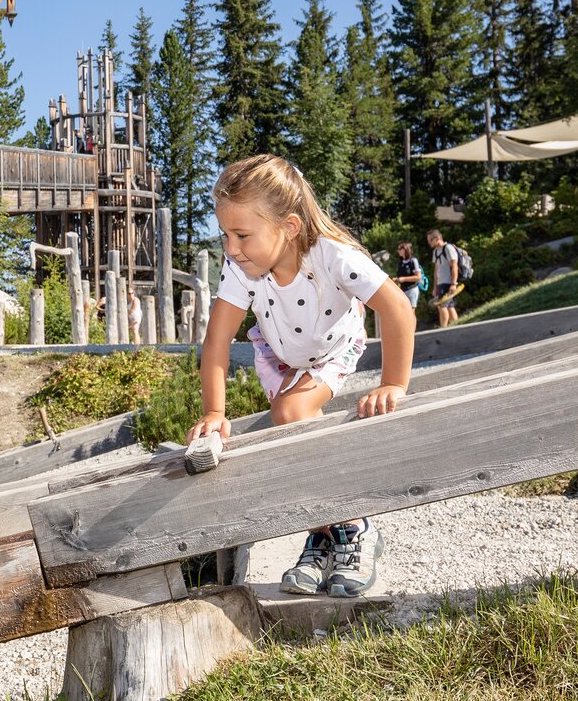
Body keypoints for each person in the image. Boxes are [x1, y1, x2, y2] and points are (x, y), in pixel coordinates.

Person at [187, 155, 415, 598]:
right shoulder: (241, 270)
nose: (231, 248)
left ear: (288, 226)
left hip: (334, 346)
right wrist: (215, 410)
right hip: (279, 354)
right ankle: (322, 533)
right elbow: (216, 341)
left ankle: (352, 526)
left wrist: (393, 383)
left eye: (242, 235)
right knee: (289, 417)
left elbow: (398, 310)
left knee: (290, 411)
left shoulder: (331, 256)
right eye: (226, 235)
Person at [426, 229, 462, 328]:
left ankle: (443, 328)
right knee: (450, 306)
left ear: (437, 238)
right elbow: (436, 270)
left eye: (430, 240)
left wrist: (454, 283)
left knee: (441, 306)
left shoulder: (448, 248)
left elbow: (454, 266)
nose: (429, 243)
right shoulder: (436, 251)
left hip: (448, 282)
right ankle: (457, 326)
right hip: (441, 283)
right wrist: (435, 287)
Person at [390, 241, 423, 323]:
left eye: (401, 249)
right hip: (403, 290)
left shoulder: (413, 261)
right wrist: (397, 280)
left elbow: (418, 277)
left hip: (412, 289)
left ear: (406, 250)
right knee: (405, 312)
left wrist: (403, 279)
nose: (399, 251)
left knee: (411, 312)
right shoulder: (400, 263)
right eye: (399, 249)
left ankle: (412, 331)